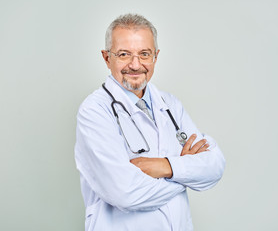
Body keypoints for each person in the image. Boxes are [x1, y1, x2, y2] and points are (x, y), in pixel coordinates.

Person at [75, 13, 225, 231]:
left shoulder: (171, 105)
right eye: (124, 54)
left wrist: (164, 166)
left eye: (144, 54)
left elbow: (214, 165)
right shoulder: (94, 111)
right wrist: (184, 173)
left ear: (156, 56)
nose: (135, 65)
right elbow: (125, 193)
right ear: (107, 58)